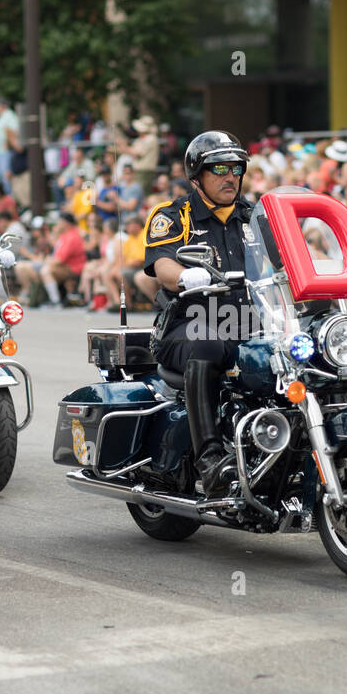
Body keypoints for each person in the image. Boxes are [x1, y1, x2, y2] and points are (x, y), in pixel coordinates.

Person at [142, 130, 253, 496]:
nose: (230, 176)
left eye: (236, 167)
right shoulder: (174, 215)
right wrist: (184, 275)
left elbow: (289, 262)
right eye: (218, 168)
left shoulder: (254, 218)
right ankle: (210, 455)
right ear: (197, 175)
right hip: (186, 327)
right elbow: (162, 266)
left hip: (250, 327)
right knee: (208, 343)